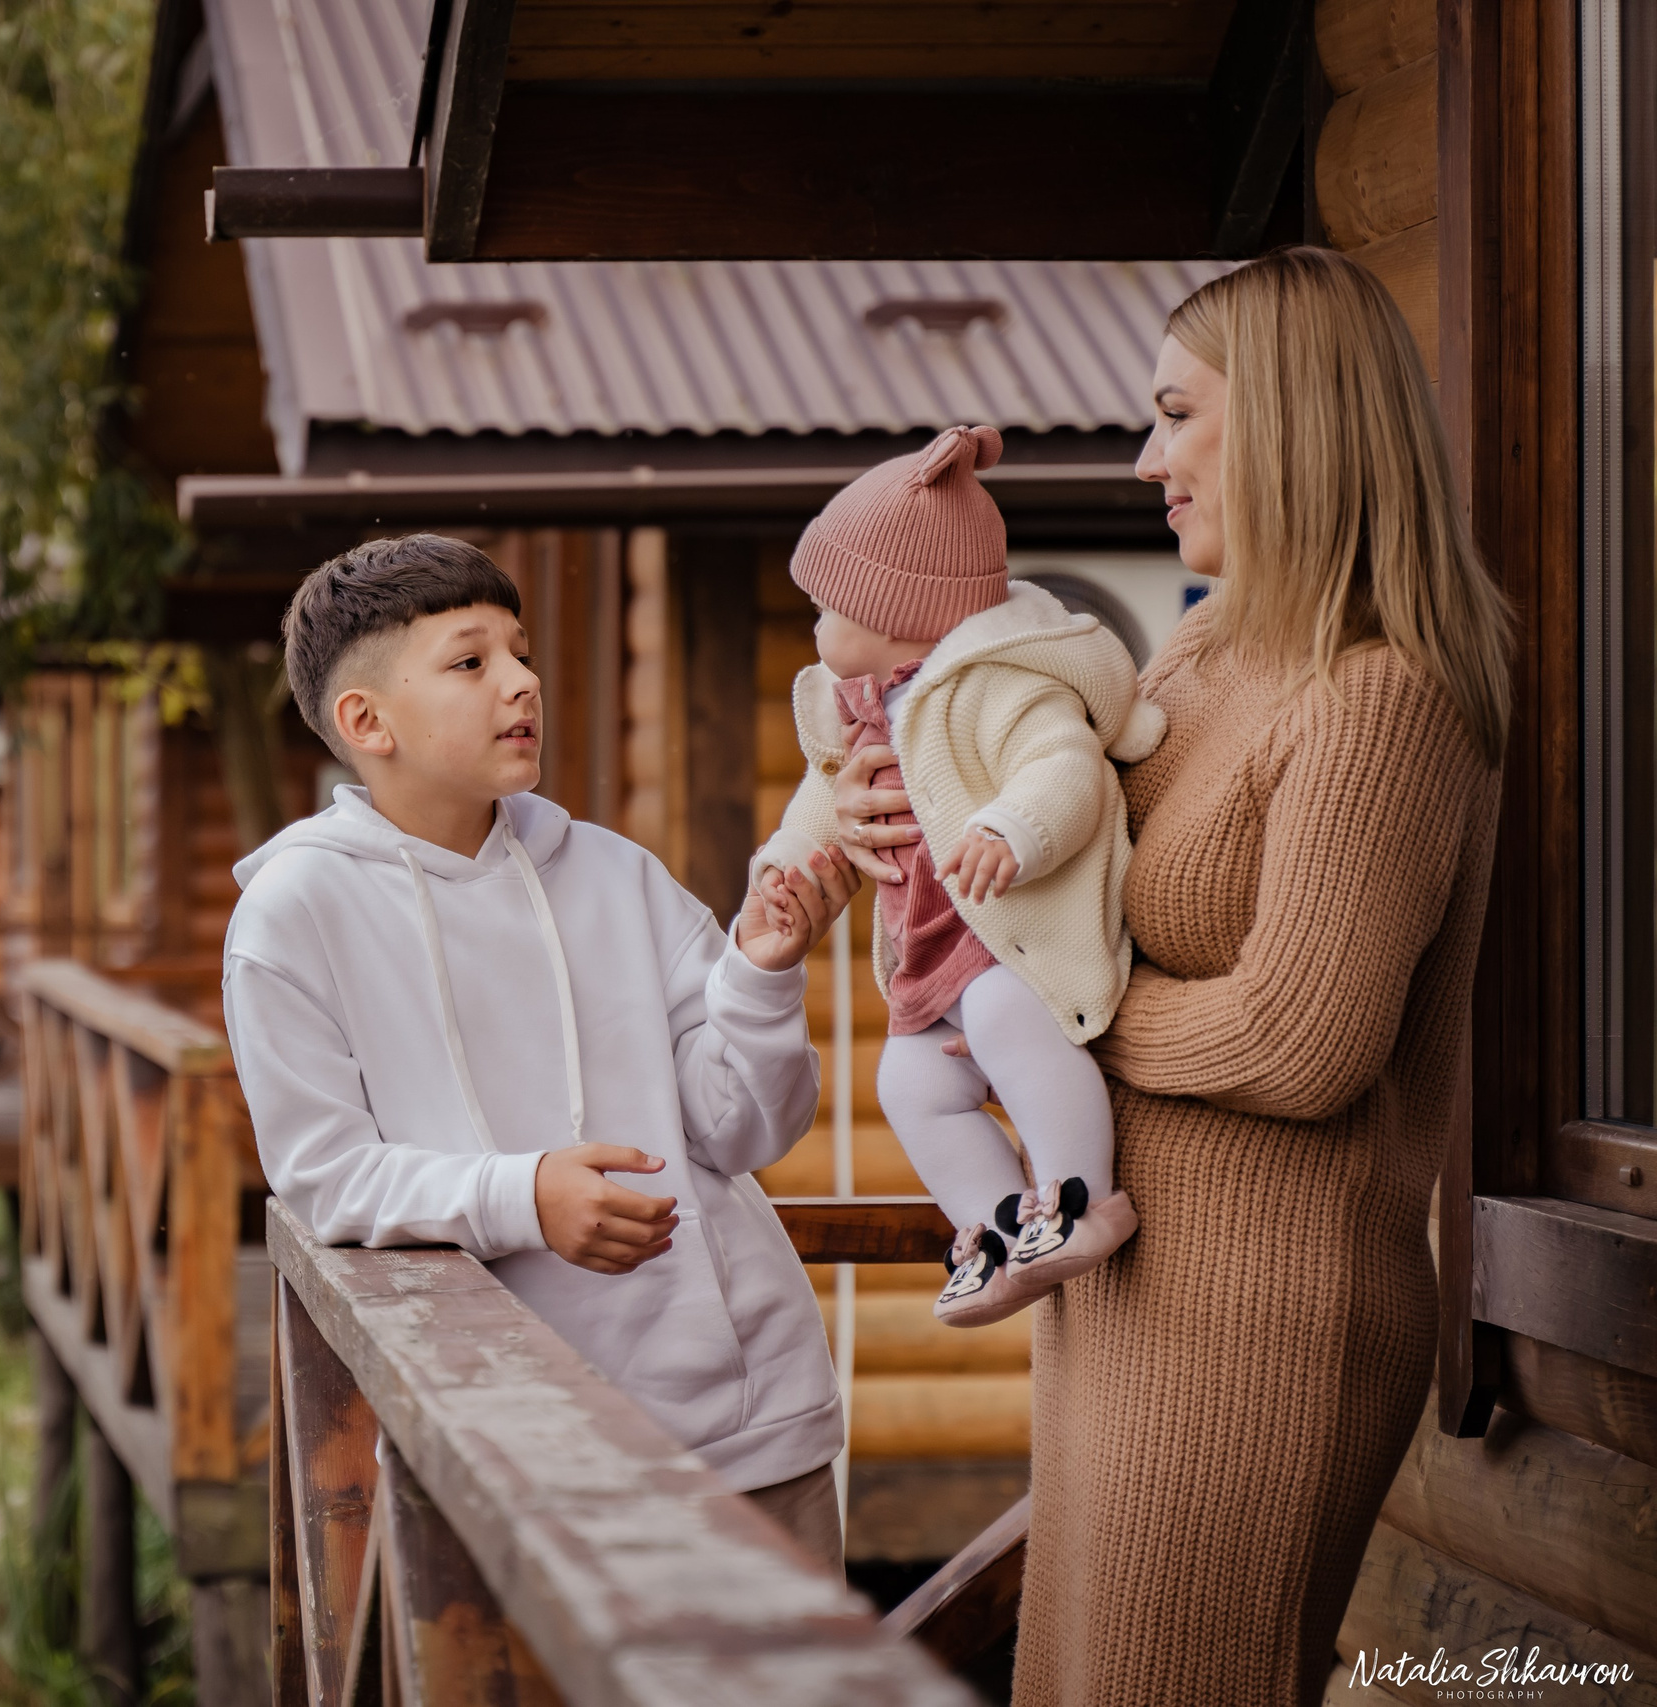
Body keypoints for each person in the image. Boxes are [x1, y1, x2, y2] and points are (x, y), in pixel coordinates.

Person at [825, 250, 1509, 1706]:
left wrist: (1031, 1018)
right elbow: (1067, 865)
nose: (1146, 458)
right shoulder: (1200, 649)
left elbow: (1298, 1039)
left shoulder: (1382, 694)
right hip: (1130, 1279)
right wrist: (901, 813)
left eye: (1177, 414)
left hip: (1265, 1315)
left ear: (1295, 423)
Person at [221, 533, 862, 1562]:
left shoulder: (615, 874)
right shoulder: (292, 916)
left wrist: (759, 973)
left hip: (743, 1426)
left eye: (520, 652)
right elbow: (325, 1178)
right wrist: (524, 1196)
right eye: (470, 661)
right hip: (497, 1439)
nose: (521, 681)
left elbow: (745, 1130)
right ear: (366, 721)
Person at [756, 424, 1165, 1328]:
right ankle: (997, 1229)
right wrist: (784, 863)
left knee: (1005, 1017)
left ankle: (1081, 1199)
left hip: (1017, 943)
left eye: (826, 607)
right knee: (907, 1085)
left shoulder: (1001, 686)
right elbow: (824, 800)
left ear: (893, 611)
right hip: (936, 959)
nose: (814, 625)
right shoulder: (862, 709)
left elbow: (1064, 767)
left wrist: (1014, 826)